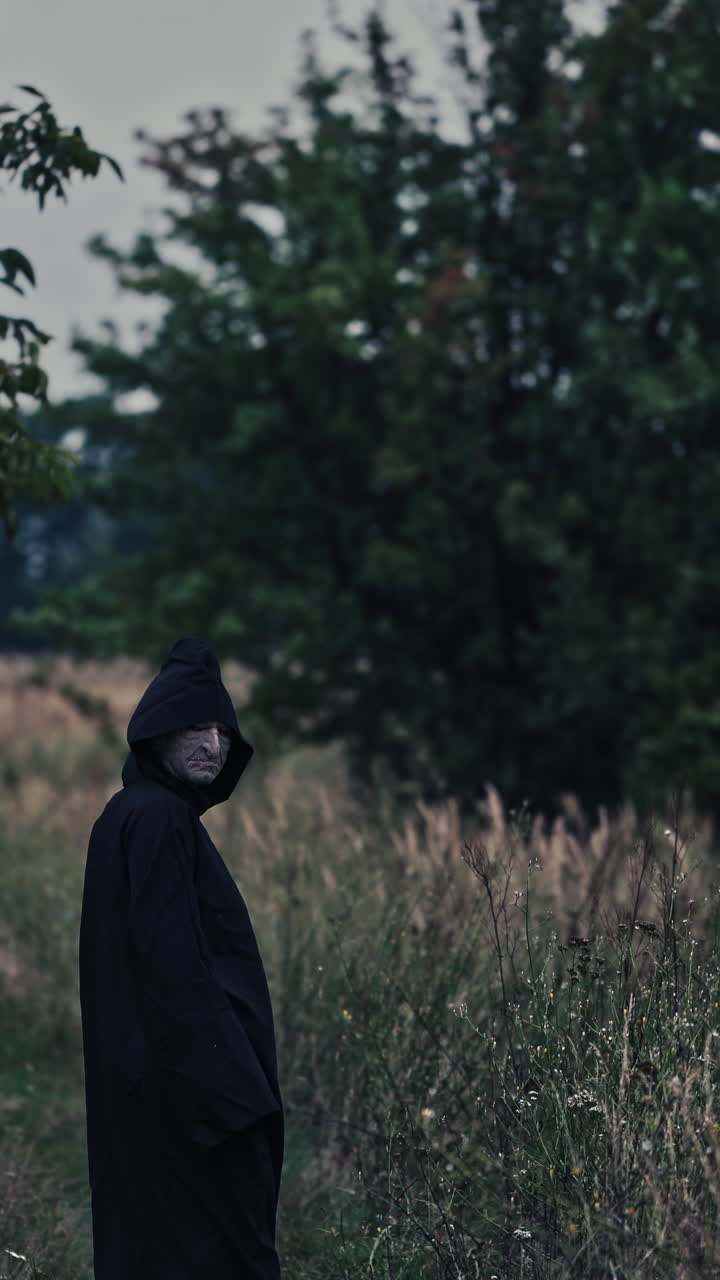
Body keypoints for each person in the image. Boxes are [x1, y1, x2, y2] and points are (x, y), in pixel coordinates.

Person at [79, 637, 283, 1279]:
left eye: (222, 731)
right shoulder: (156, 819)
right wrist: (232, 1102)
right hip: (189, 1099)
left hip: (158, 1091)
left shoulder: (136, 814)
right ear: (157, 733)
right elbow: (171, 967)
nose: (212, 745)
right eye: (194, 728)